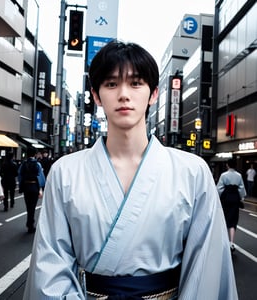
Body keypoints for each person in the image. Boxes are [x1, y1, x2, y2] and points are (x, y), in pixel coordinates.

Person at [23, 40, 238, 299]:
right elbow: (50, 265)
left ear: (154, 93)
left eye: (136, 83)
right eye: (111, 84)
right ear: (95, 95)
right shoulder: (64, 172)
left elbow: (206, 267)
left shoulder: (193, 172)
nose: (124, 94)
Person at [217, 158, 247, 253]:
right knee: (233, 221)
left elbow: (219, 188)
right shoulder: (239, 176)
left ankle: (223, 242)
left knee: (224, 220)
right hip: (235, 199)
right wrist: (242, 198)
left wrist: (217, 197)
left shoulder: (223, 175)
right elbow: (241, 188)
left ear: (227, 165)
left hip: (225, 199)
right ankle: (232, 243)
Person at [18, 147, 45, 233]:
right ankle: (30, 224)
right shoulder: (37, 164)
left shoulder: (24, 163)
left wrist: (21, 184)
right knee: (33, 206)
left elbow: (20, 175)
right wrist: (41, 188)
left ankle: (29, 223)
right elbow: (41, 177)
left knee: (28, 205)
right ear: (35, 154)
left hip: (26, 186)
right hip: (34, 186)